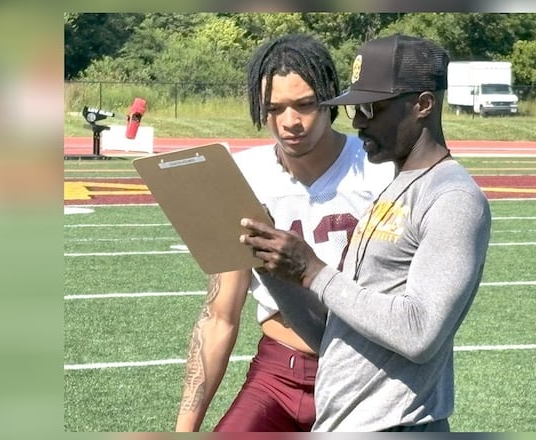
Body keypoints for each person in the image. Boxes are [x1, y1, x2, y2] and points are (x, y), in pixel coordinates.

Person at [240, 34, 492, 432]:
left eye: (372, 108)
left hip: (396, 425)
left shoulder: (453, 196)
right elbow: (331, 332)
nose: (358, 121)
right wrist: (273, 265)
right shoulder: (394, 185)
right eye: (355, 108)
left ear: (423, 105)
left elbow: (419, 333)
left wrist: (312, 270)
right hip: (345, 421)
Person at [174, 34, 394, 432]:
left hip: (365, 375)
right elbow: (220, 315)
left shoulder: (379, 171)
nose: (290, 122)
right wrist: (183, 429)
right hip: (279, 373)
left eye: (305, 104)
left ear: (331, 98)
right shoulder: (241, 175)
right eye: (274, 109)